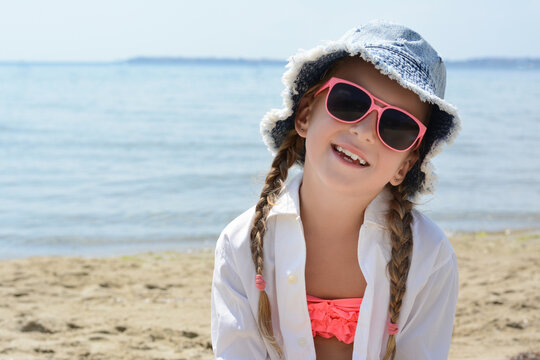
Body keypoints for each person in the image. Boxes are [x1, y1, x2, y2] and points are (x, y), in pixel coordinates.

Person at [211, 20, 461, 360]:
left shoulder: (429, 256)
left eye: (397, 126)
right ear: (305, 113)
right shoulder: (240, 245)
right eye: (349, 101)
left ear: (405, 164)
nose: (365, 131)